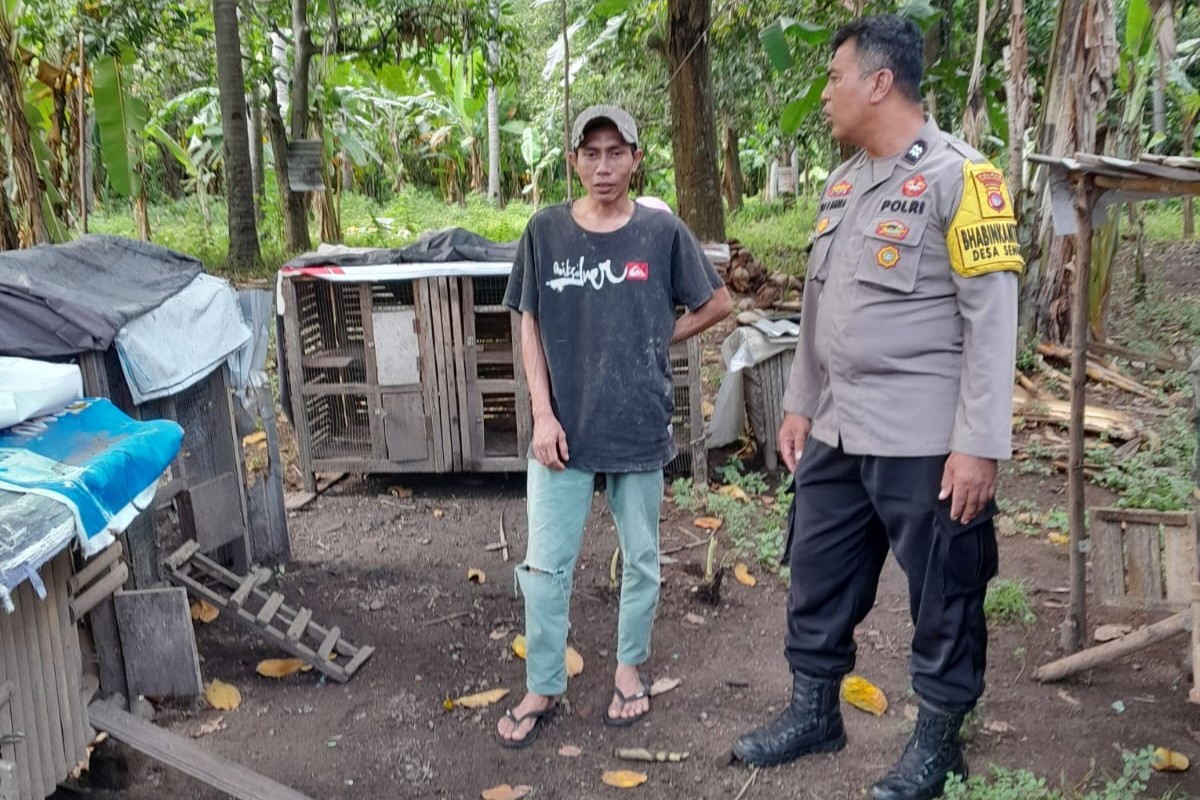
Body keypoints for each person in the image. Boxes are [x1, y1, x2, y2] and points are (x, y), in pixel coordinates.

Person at [731, 15, 1023, 800]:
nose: (823, 94)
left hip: (924, 436)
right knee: (818, 576)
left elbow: (992, 325)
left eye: (833, 78)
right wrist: (798, 404)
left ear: (879, 83)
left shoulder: (965, 179)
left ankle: (937, 746)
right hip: (836, 427)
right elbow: (820, 305)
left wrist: (979, 445)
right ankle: (814, 713)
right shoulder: (844, 183)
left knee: (944, 591)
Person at [495, 105, 732, 749]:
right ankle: (543, 683)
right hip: (562, 431)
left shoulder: (661, 233)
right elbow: (529, 322)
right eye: (591, 153)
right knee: (544, 567)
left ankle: (629, 670)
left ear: (635, 158)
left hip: (636, 420)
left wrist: (660, 335)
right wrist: (542, 414)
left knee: (644, 560)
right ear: (573, 161)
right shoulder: (545, 231)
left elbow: (717, 301)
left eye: (616, 152)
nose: (604, 166)